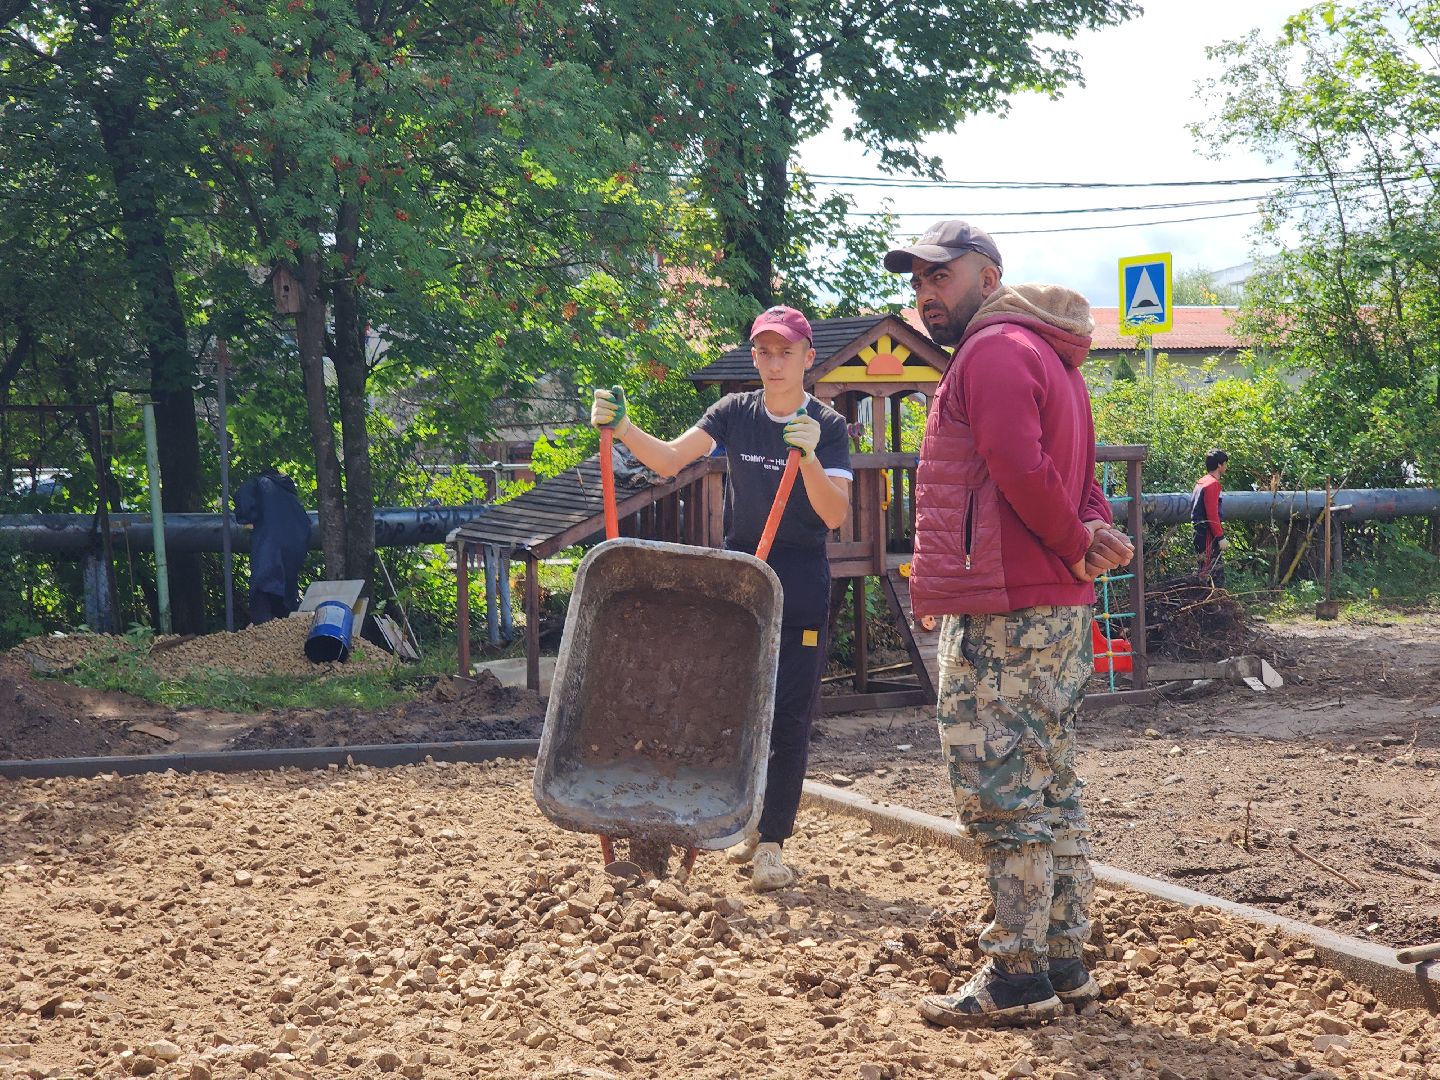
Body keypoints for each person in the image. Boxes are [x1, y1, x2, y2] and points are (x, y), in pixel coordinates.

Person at [884, 220, 1134, 1027]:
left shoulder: (992, 352)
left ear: (987, 279)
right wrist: (1091, 534)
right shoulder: (1053, 358)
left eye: (941, 276)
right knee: (1050, 781)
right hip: (1053, 607)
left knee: (1000, 786)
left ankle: (1017, 976)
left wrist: (1075, 539)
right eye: (917, 282)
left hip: (1006, 608)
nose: (926, 295)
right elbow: (1076, 475)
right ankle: (1063, 960)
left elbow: (1021, 468)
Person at [590, 305, 852, 892]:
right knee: (731, 710)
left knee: (789, 715)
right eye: (764, 352)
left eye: (786, 352)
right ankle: (738, 818)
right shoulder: (735, 412)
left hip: (798, 580)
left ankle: (772, 843)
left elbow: (834, 513)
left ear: (808, 358)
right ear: (754, 358)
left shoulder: (828, 426)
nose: (774, 363)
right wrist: (624, 426)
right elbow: (669, 459)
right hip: (742, 579)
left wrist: (809, 458)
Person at [233, 466, 312, 625]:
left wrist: (250, 519)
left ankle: (263, 634)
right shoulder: (290, 494)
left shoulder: (259, 483)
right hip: (294, 552)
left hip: (269, 550)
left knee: (262, 591)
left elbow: (244, 505)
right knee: (285, 601)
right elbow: (306, 524)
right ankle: (281, 634)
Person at [1192, 448, 1229, 587]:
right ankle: (1207, 597)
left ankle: (1214, 597)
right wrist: (1220, 537)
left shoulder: (1202, 481)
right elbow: (1212, 513)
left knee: (1210, 568)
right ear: (1219, 465)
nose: (1226, 467)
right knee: (1208, 571)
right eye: (1225, 463)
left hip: (1200, 531)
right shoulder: (1212, 484)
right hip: (1207, 532)